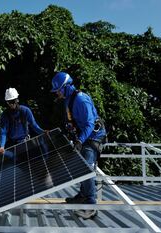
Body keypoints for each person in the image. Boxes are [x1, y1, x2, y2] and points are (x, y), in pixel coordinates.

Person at [51, 72, 106, 219]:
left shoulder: (81, 100)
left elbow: (89, 124)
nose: (56, 93)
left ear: (65, 87)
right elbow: (73, 121)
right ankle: (83, 195)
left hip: (93, 136)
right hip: (83, 136)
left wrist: (80, 140)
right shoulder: (68, 99)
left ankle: (91, 206)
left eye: (57, 90)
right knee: (79, 165)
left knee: (86, 167)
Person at [0, 88, 45, 154]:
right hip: (12, 144)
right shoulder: (5, 115)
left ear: (17, 100)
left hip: (24, 142)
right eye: (9, 102)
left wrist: (43, 132)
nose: (11, 104)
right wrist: (2, 146)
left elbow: (34, 125)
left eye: (13, 101)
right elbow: (3, 132)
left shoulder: (25, 111)